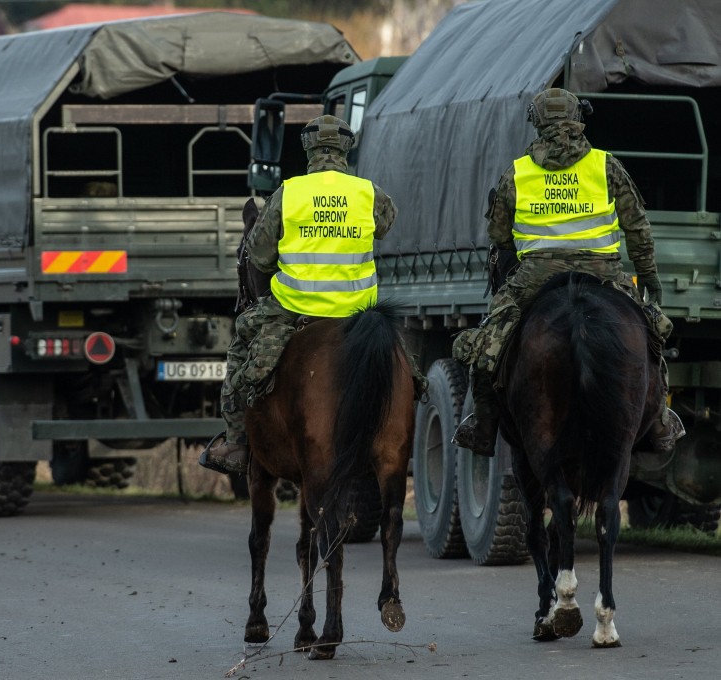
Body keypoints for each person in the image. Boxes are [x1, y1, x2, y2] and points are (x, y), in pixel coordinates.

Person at [451, 88, 684, 457]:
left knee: (487, 345)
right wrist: (648, 277)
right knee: (652, 337)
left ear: (537, 122)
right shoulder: (606, 165)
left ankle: (483, 424)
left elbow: (498, 235)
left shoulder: (517, 172)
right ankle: (659, 422)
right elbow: (638, 227)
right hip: (604, 273)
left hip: (535, 276)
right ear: (579, 119)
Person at [199, 115, 426, 476]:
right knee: (401, 360)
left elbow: (258, 254)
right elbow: (386, 224)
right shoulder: (369, 193)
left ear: (308, 150)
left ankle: (236, 441)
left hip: (294, 306)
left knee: (242, 339)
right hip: (357, 309)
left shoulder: (289, 194)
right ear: (346, 150)